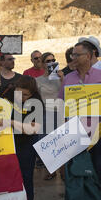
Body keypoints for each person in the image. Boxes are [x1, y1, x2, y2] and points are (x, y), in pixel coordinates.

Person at [58, 42, 101, 187]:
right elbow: (60, 104)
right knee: (77, 166)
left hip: (97, 131)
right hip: (74, 131)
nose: (73, 57)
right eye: (73, 54)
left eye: (76, 54)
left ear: (87, 56)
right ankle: (79, 198)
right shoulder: (68, 79)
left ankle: (95, 198)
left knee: (96, 165)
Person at [2, 75, 42, 200]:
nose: (22, 97)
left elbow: (32, 129)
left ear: (32, 93)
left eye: (26, 95)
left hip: (26, 146)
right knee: (9, 180)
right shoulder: (11, 92)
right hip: (8, 144)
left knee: (26, 181)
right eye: (20, 93)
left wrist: (11, 122)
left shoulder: (36, 103)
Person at [36, 52, 65, 180]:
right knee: (47, 144)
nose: (51, 62)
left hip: (60, 112)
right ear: (42, 64)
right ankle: (51, 170)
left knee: (62, 143)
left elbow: (69, 93)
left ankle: (63, 171)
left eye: (53, 60)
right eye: (48, 61)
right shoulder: (37, 80)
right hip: (45, 113)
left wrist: (62, 79)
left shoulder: (62, 77)